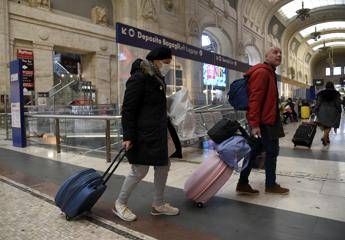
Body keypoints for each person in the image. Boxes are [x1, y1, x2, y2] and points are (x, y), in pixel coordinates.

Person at [112, 47, 181, 222]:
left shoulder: (156, 77)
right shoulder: (140, 77)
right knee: (139, 170)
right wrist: (128, 136)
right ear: (156, 60)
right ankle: (119, 203)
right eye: (166, 62)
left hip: (158, 132)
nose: (168, 66)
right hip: (143, 134)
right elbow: (128, 108)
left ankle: (158, 205)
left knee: (163, 166)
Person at [236, 47, 289, 195]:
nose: (279, 55)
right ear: (266, 56)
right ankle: (270, 185)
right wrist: (254, 124)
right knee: (271, 153)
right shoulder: (262, 72)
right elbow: (255, 100)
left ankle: (242, 183)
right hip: (265, 122)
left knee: (253, 152)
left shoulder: (269, 72)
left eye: (280, 53)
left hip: (266, 120)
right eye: (275, 52)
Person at [315, 81, 341, 146]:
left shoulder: (321, 93)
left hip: (322, 111)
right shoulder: (336, 94)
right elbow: (338, 104)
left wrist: (316, 110)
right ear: (332, 86)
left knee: (325, 125)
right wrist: (339, 110)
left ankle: (327, 138)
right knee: (330, 125)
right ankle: (324, 137)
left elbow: (318, 103)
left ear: (326, 86)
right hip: (332, 112)